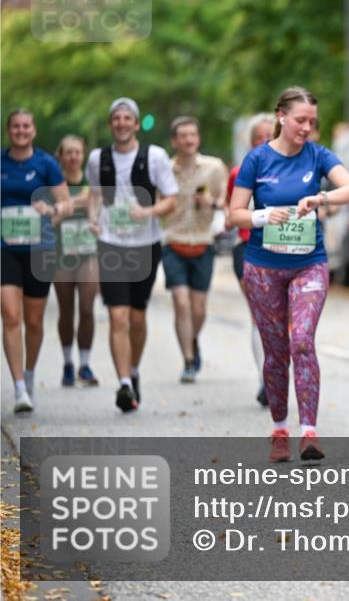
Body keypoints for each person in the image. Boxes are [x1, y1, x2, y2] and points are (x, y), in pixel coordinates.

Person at [229, 87, 349, 462]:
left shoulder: (318, 156)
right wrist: (262, 216)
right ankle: (279, 429)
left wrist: (322, 198)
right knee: (275, 352)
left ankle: (310, 433)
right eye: (300, 120)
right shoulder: (257, 159)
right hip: (263, 266)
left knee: (301, 340)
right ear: (281, 117)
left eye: (312, 122)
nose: (306, 127)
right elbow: (234, 213)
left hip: (309, 264)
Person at [87, 97, 178, 413]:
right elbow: (95, 194)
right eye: (116, 118)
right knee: (118, 315)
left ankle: (134, 369)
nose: (122, 123)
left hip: (145, 244)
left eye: (127, 118)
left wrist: (147, 212)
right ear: (110, 124)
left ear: (136, 124)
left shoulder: (155, 157)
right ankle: (124, 383)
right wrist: (92, 218)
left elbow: (171, 200)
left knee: (137, 316)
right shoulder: (97, 158)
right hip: (110, 243)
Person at [1, 110, 70, 413]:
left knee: (33, 322)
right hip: (5, 248)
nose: (21, 130)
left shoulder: (46, 164)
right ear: (8, 130)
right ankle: (18, 388)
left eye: (26, 126)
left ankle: (29, 374)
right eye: (16, 126)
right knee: (10, 315)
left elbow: (66, 205)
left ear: (34, 130)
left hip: (40, 249)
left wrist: (51, 210)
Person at [161, 116, 227, 383]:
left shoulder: (214, 167)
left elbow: (226, 202)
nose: (189, 140)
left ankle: (192, 340)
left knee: (198, 309)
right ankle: (188, 360)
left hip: (203, 242)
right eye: (183, 135)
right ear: (174, 141)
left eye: (193, 134)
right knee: (181, 302)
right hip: (173, 241)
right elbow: (155, 202)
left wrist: (212, 202)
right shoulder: (164, 170)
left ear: (198, 138)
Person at [225, 113, 273, 406]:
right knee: (260, 313)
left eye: (270, 136)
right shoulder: (239, 173)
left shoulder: (293, 169)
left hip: (283, 248)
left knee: (283, 318)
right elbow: (232, 210)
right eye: (258, 138)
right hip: (248, 246)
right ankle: (265, 380)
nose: (264, 142)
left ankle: (277, 370)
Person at [52, 135, 101, 387]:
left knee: (87, 308)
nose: (73, 157)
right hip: (61, 254)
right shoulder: (53, 184)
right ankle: (68, 363)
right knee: (66, 310)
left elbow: (103, 214)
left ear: (83, 155)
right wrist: (69, 205)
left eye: (77, 152)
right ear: (60, 156)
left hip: (88, 253)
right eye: (68, 152)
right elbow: (48, 220)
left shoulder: (91, 183)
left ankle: (85, 364)